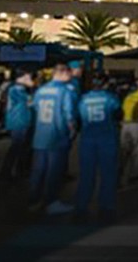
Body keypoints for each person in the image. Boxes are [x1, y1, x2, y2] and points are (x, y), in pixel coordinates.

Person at [29, 63, 78, 215]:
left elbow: (35, 108)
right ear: (63, 73)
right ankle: (51, 202)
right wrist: (72, 129)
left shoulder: (41, 90)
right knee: (54, 172)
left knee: (38, 171)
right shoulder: (65, 91)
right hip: (57, 136)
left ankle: (33, 201)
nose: (71, 76)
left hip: (40, 135)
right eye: (69, 73)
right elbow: (69, 113)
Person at [75, 75, 122, 221]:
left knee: (86, 174)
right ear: (105, 84)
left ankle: (82, 206)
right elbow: (118, 114)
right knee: (108, 174)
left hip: (88, 139)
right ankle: (106, 206)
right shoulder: (110, 98)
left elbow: (78, 118)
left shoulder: (83, 99)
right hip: (107, 138)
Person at [0, 69, 35, 182]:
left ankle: (15, 172)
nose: (31, 80)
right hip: (19, 122)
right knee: (16, 148)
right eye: (29, 77)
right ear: (23, 77)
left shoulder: (17, 89)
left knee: (19, 148)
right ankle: (7, 174)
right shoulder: (17, 89)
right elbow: (31, 102)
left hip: (20, 121)